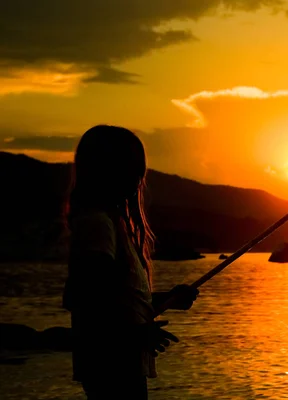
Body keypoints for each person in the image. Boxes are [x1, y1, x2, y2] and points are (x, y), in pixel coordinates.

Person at [62, 125, 199, 399]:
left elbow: (116, 299)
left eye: (140, 167)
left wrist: (166, 299)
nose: (139, 176)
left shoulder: (112, 223)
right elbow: (83, 295)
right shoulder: (98, 224)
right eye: (131, 166)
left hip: (120, 363)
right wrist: (134, 336)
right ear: (106, 169)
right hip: (112, 366)